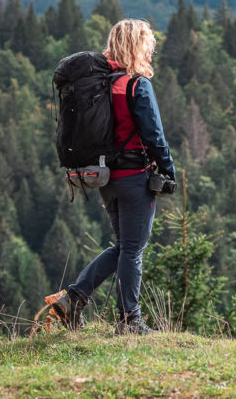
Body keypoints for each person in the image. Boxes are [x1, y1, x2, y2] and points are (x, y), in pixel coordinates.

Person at [45, 18, 175, 335]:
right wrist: (168, 169)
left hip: (106, 178)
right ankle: (130, 320)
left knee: (124, 246)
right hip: (134, 177)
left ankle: (73, 300)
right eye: (147, 47)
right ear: (136, 47)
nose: (150, 53)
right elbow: (154, 135)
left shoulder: (103, 85)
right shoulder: (136, 85)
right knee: (133, 249)